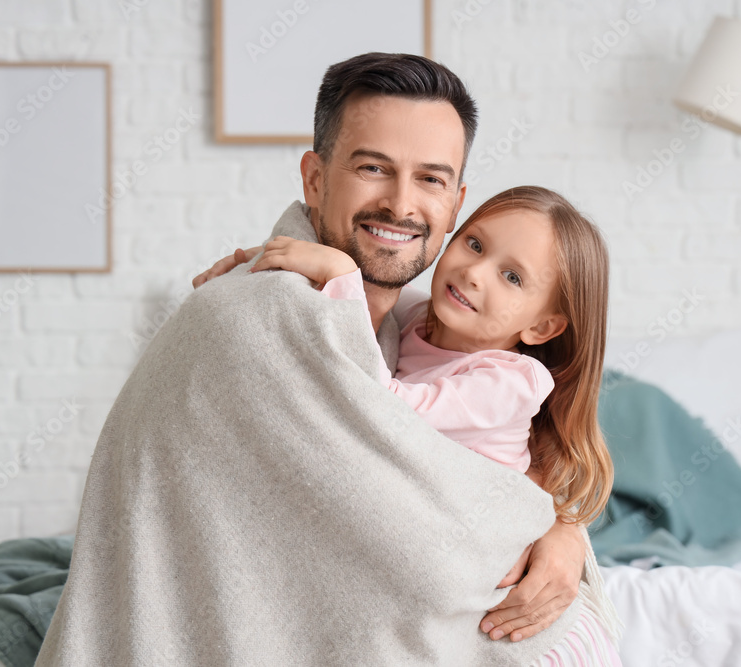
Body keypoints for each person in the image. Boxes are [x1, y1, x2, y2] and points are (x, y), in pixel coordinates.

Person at [192, 53, 590, 646]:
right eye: (374, 167)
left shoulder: (503, 374)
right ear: (315, 179)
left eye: (430, 178)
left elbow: (386, 406)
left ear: (454, 201)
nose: (402, 206)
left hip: (493, 595)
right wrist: (266, 258)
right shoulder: (403, 320)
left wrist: (562, 529)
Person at [248, 186, 622, 664]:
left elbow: (386, 412)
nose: (474, 273)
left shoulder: (511, 382)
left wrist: (343, 277)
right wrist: (253, 265)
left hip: (522, 639)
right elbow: (368, 317)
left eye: (511, 276)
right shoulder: (417, 319)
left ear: (542, 328)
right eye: (475, 244)